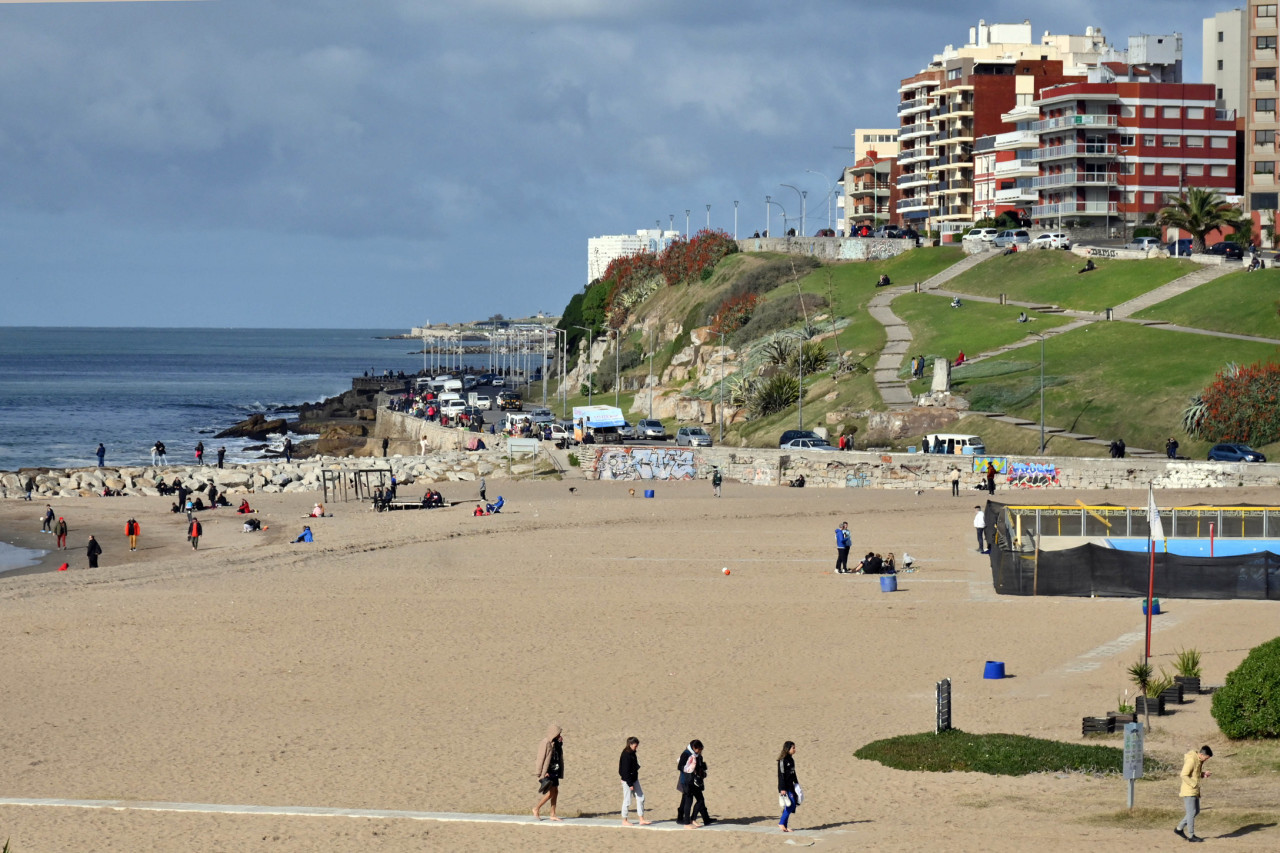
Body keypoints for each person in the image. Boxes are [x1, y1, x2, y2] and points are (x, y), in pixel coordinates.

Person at [1175, 745, 1213, 842]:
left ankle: (1179, 828)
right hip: (1189, 790)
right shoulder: (1192, 760)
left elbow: (1194, 774)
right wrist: (1194, 784)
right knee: (1191, 813)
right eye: (1206, 758)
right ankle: (1191, 836)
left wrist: (1203, 774)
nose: (1206, 760)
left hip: (1194, 790)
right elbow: (1183, 775)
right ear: (1201, 754)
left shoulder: (1199, 761)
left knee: (1196, 811)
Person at [533, 724, 564, 821]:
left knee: (556, 792)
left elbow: (558, 755)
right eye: (558, 734)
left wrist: (559, 743)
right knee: (551, 793)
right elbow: (540, 758)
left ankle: (553, 814)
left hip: (555, 770)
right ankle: (536, 808)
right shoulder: (545, 742)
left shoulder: (555, 742)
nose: (559, 735)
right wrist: (540, 773)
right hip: (548, 771)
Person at [619, 736, 649, 826]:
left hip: (634, 779)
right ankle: (624, 820)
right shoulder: (626, 755)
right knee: (627, 800)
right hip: (628, 781)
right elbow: (623, 771)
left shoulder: (632, 753)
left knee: (641, 798)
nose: (637, 747)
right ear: (630, 744)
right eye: (635, 746)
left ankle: (641, 819)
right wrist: (630, 783)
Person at [676, 740, 706, 827]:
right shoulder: (686, 754)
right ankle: (686, 822)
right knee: (688, 801)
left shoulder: (697, 755)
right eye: (699, 750)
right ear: (694, 748)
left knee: (700, 800)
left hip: (695, 782)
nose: (700, 752)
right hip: (686, 781)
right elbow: (680, 767)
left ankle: (692, 819)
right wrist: (690, 769)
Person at [777, 741, 801, 832]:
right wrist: (782, 788)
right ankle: (781, 823)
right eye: (793, 748)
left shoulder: (791, 759)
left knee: (791, 805)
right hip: (785, 787)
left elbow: (793, 772)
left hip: (791, 785)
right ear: (788, 749)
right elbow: (781, 775)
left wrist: (797, 783)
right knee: (791, 805)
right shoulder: (782, 760)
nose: (795, 749)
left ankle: (785, 826)